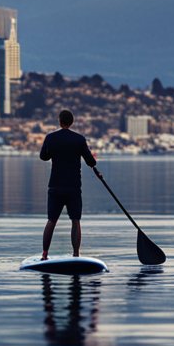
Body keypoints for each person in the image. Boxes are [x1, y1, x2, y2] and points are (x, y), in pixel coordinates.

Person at [39, 109, 99, 259]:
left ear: (59, 121)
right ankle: (76, 254)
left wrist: (54, 153)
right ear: (71, 122)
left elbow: (43, 157)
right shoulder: (79, 139)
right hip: (73, 187)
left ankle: (45, 255)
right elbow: (91, 161)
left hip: (55, 187)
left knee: (51, 221)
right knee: (75, 221)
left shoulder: (50, 138)